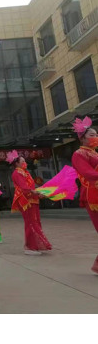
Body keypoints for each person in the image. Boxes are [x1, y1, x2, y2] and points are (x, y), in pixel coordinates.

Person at [8, 150, 51, 255]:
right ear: (16, 163)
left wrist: (38, 193)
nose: (24, 162)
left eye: (24, 161)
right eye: (22, 161)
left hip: (32, 199)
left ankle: (36, 245)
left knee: (36, 222)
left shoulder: (26, 172)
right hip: (25, 200)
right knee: (31, 223)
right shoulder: (17, 173)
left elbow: (30, 187)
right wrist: (36, 192)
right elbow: (24, 188)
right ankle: (30, 247)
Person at [70, 117, 98, 274]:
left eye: (96, 134)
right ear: (82, 138)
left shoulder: (94, 153)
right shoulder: (79, 154)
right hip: (92, 195)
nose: (95, 137)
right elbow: (87, 173)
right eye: (92, 135)